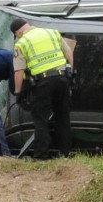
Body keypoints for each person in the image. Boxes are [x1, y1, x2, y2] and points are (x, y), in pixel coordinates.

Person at [11, 17, 75, 159]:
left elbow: (19, 71)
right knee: (63, 117)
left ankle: (41, 156)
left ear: (17, 32)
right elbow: (69, 52)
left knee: (41, 119)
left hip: (43, 83)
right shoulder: (52, 32)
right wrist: (70, 72)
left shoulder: (21, 44)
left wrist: (18, 92)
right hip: (62, 79)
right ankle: (65, 153)